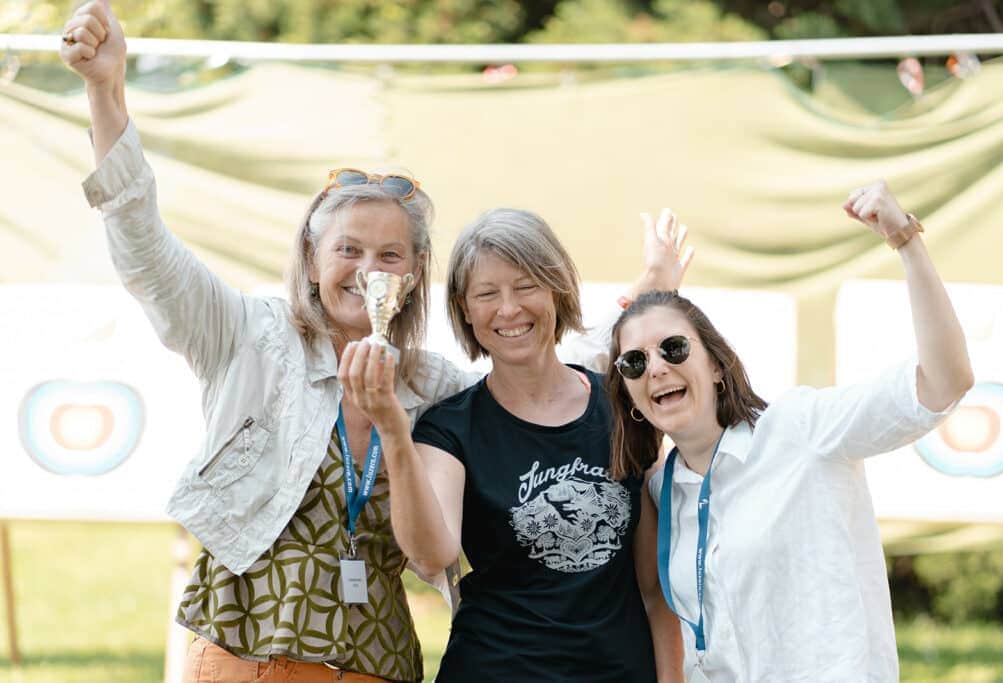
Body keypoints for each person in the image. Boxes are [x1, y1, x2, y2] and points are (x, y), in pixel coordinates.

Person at [59, 3, 688, 681]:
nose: (368, 269)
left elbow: (541, 365)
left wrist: (646, 294)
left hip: (377, 662)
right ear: (311, 256)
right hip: (247, 655)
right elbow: (145, 250)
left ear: (415, 275)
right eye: (348, 248)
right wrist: (106, 90)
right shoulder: (247, 336)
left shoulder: (433, 388)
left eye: (390, 254)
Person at [604, 181, 974, 682]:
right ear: (627, 393)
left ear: (716, 365)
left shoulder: (800, 428)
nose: (656, 369)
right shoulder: (661, 490)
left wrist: (905, 241)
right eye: (634, 362)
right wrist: (649, 282)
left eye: (673, 348)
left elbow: (944, 382)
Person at [340, 208, 687, 682]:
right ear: (465, 307)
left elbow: (654, 588)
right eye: (487, 294)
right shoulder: (450, 429)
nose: (508, 309)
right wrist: (394, 432)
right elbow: (431, 556)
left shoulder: (625, 409)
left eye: (525, 287)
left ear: (556, 288)